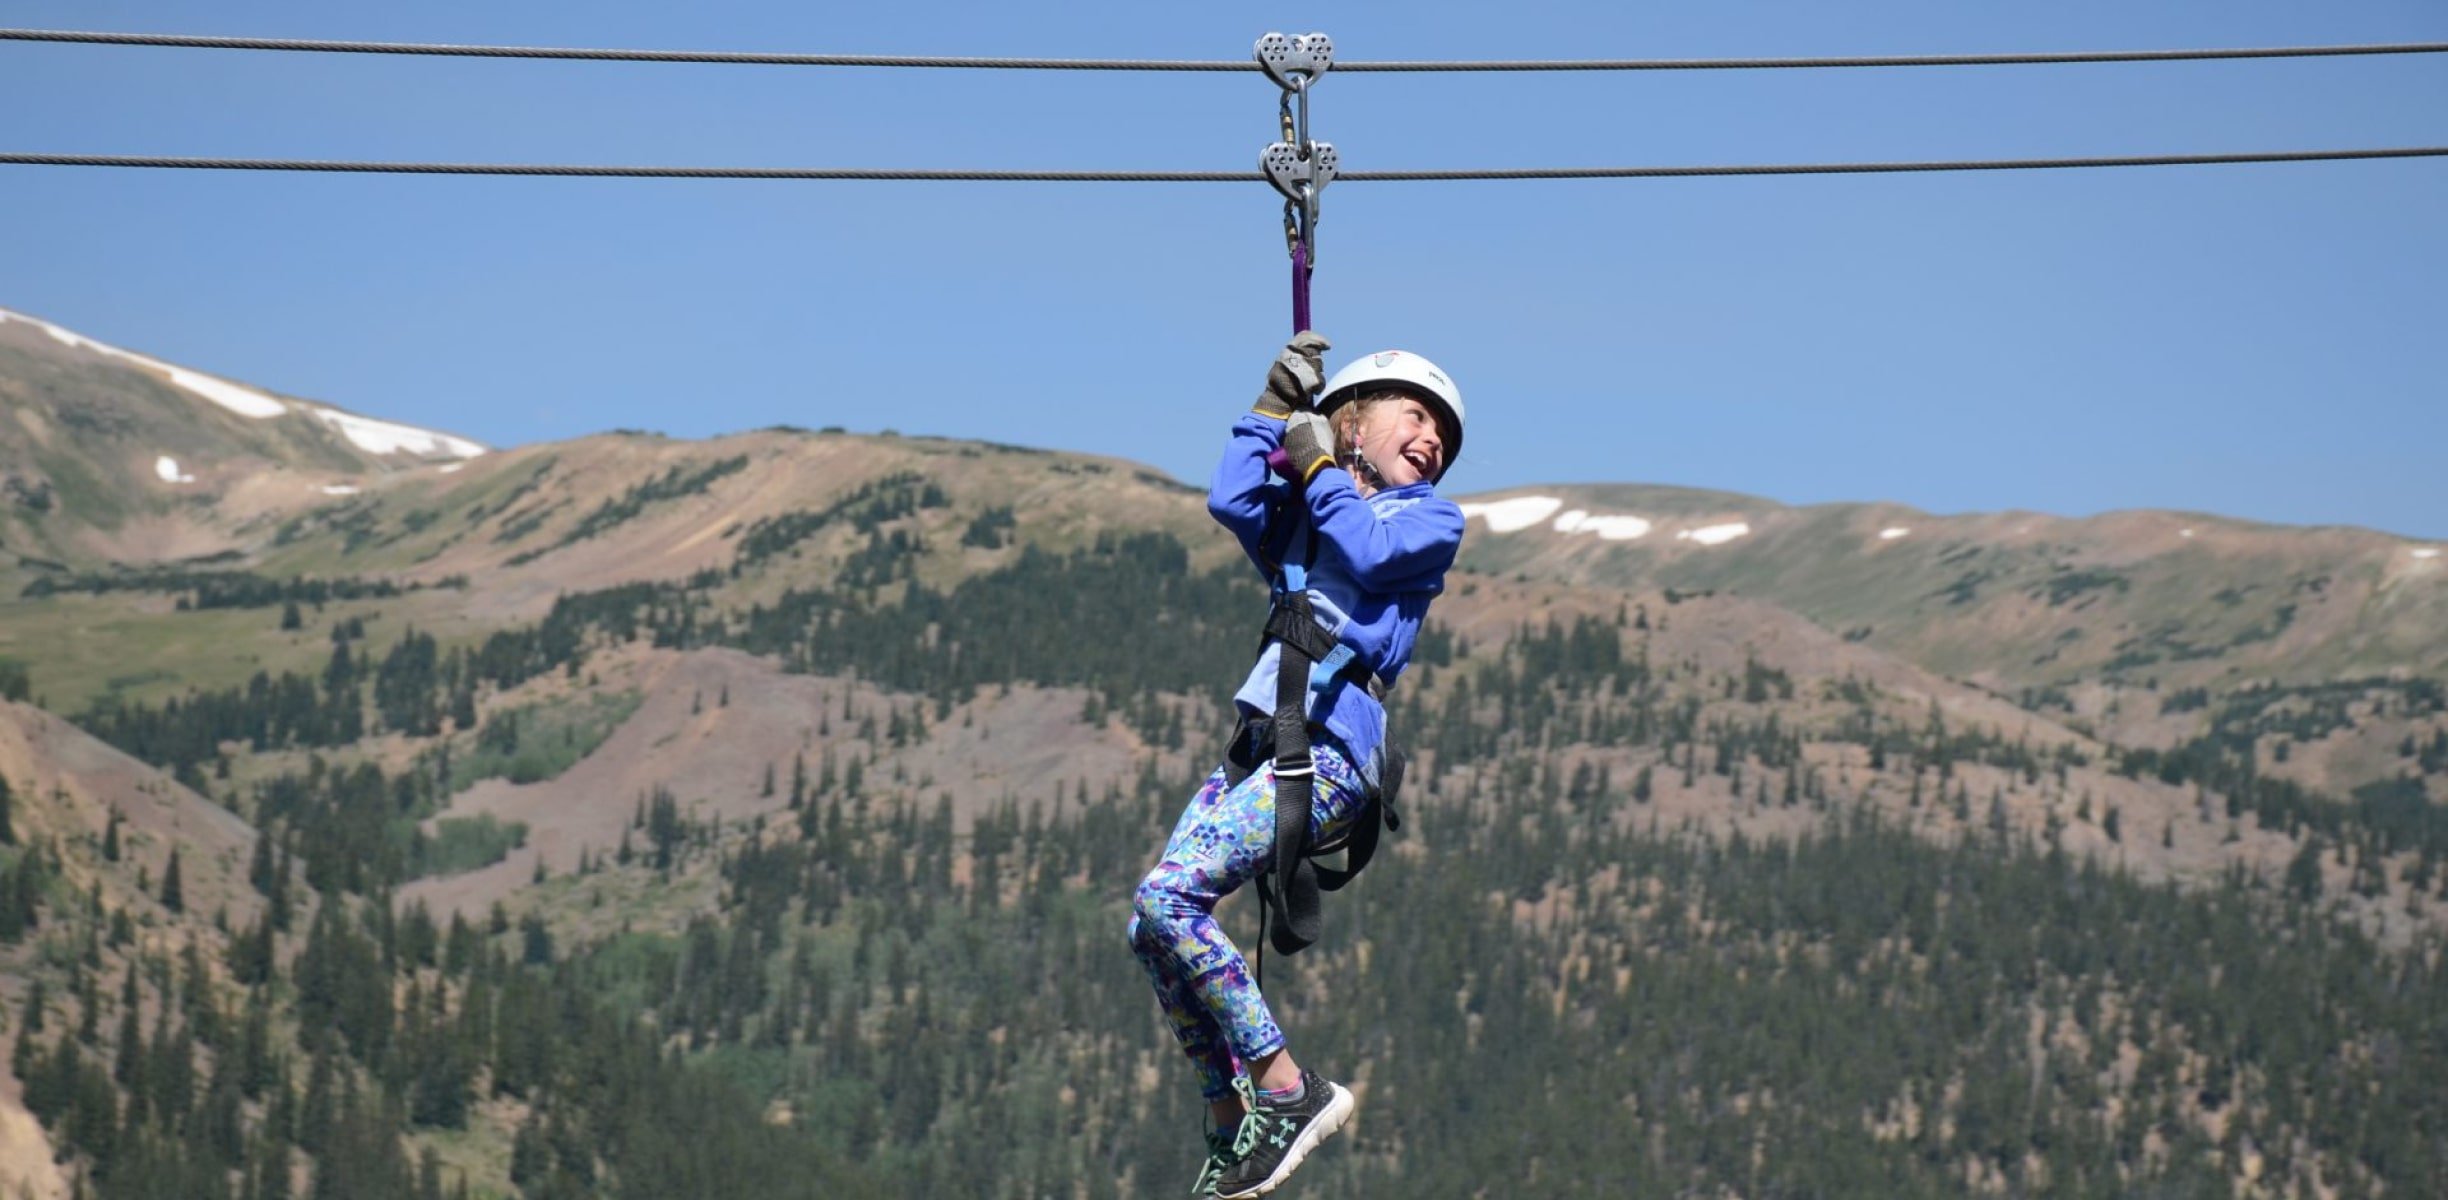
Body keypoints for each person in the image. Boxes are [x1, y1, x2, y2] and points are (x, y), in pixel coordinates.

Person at [1127, 332, 1467, 1198]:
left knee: (1169, 896)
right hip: (1267, 745)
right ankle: (1229, 1112)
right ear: (1357, 421)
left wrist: (1317, 469)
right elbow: (1234, 500)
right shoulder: (1316, 518)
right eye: (1417, 416)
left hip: (1327, 753)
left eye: (1442, 435)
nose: (1431, 440)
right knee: (1149, 925)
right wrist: (1272, 408)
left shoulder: (1426, 520)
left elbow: (1370, 555)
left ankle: (1286, 1088)